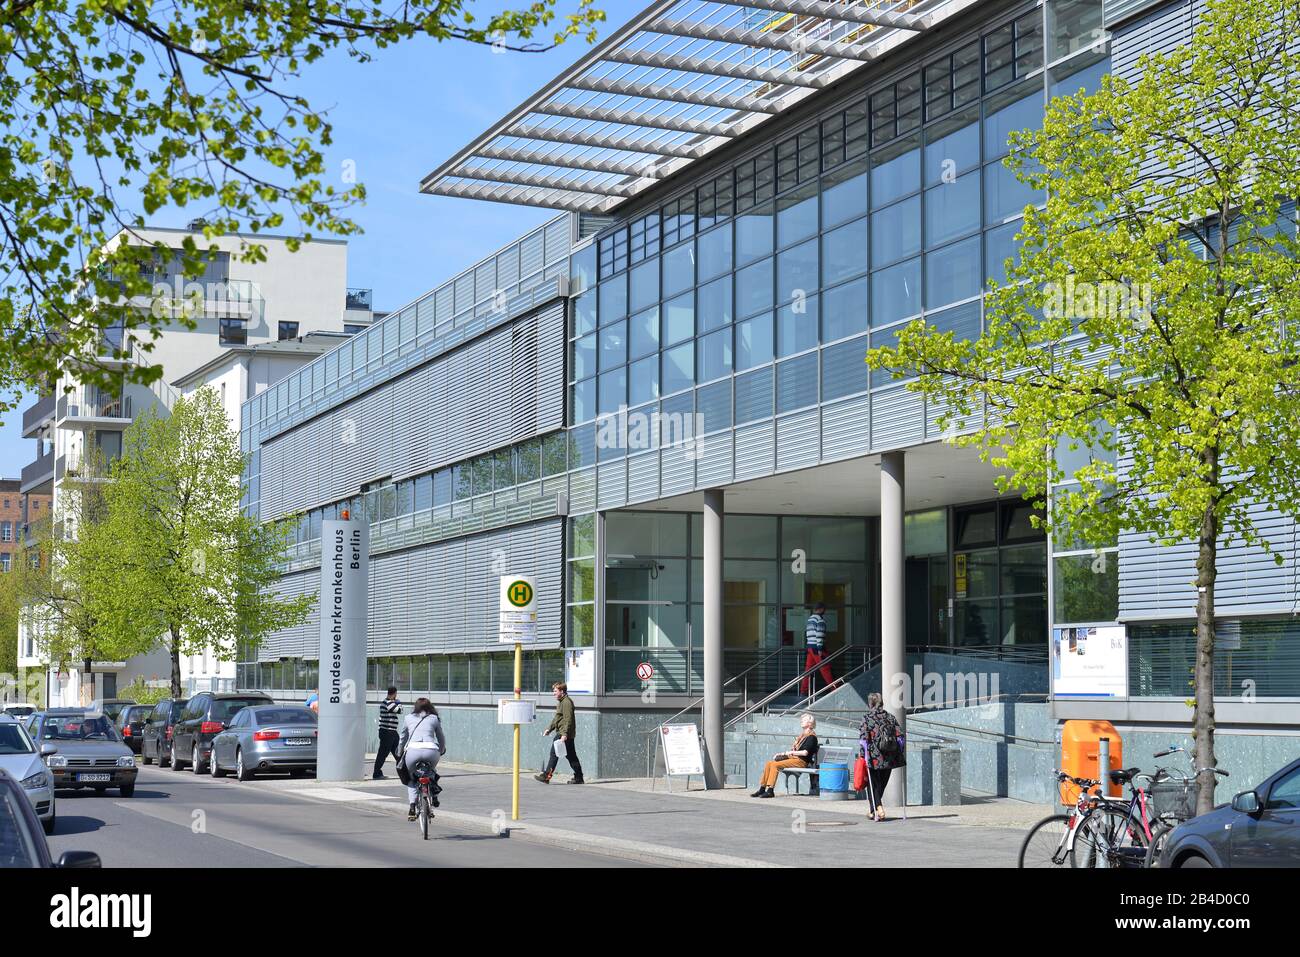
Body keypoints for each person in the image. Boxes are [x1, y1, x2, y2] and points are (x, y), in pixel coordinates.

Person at [860, 692, 905, 822]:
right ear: (882, 703)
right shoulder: (890, 717)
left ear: (870, 704)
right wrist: (899, 752)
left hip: (874, 756)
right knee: (881, 784)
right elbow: (900, 737)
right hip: (890, 755)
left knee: (872, 783)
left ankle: (878, 808)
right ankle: (873, 811)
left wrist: (863, 755)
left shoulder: (867, 718)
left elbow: (863, 740)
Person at [751, 713, 819, 798]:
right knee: (769, 763)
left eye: (804, 720)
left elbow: (805, 752)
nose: (801, 721)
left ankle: (770, 790)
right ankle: (762, 788)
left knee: (775, 765)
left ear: (810, 723)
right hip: (794, 759)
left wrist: (788, 753)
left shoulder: (812, 737)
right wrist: (783, 754)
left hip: (801, 761)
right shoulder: (803, 736)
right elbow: (795, 750)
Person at [399, 698, 446, 821]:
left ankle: (412, 807)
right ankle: (434, 794)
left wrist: (399, 752)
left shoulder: (408, 718)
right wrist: (441, 750)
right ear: (430, 707)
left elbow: (403, 737)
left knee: (412, 778)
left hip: (413, 752)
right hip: (431, 751)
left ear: (416, 707)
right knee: (431, 771)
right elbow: (441, 737)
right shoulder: (434, 718)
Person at [534, 682, 584, 784]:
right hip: (564, 733)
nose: (553, 693)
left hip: (564, 733)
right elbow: (558, 718)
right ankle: (579, 777)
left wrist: (564, 734)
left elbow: (568, 719)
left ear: (562, 691)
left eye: (555, 691)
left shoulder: (566, 703)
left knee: (554, 754)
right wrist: (549, 729)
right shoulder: (561, 702)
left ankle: (547, 776)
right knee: (571, 756)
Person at [799, 602, 835, 695]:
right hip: (817, 648)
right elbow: (819, 635)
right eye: (824, 609)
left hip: (810, 647)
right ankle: (835, 690)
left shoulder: (810, 619)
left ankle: (804, 690)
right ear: (821, 609)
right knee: (826, 669)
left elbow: (808, 634)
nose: (825, 611)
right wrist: (819, 648)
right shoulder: (820, 620)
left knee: (808, 670)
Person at [372, 686, 402, 780]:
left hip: (391, 732)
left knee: (398, 752)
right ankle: (376, 773)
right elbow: (400, 710)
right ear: (394, 693)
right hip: (387, 732)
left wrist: (396, 703)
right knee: (383, 753)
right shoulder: (388, 703)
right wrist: (399, 703)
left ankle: (404, 771)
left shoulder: (387, 702)